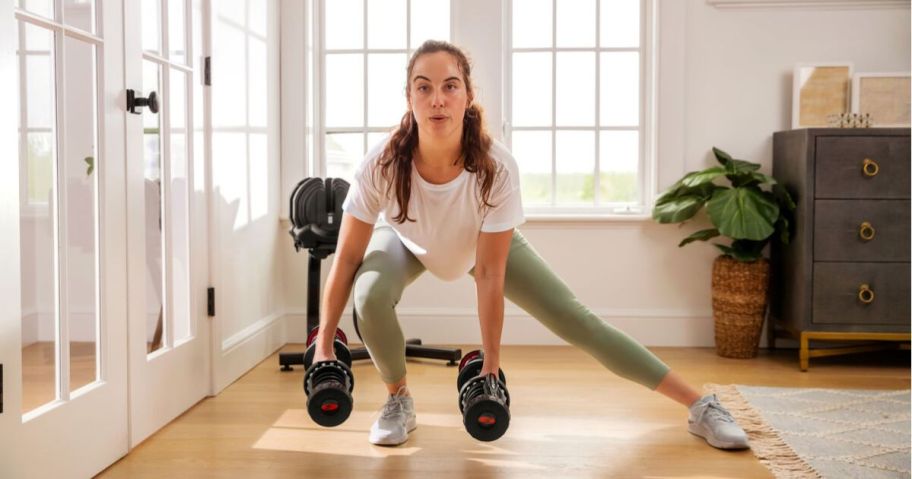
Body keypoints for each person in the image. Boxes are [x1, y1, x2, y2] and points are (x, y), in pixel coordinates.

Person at [312, 40, 749, 450]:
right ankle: (398, 399)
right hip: (406, 240)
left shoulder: (496, 165)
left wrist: (492, 364)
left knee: (576, 320)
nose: (437, 99)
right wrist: (326, 345)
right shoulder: (383, 163)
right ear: (409, 98)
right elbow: (349, 256)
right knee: (368, 296)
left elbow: (489, 273)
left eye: (450, 86)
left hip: (481, 243)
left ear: (467, 94)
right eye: (423, 88)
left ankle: (700, 405)